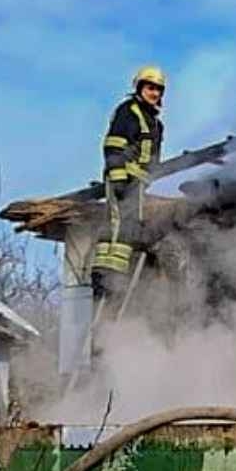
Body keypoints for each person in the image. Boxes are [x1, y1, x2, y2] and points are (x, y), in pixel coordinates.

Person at [91, 65, 166, 302]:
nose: (154, 93)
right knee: (116, 224)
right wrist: (118, 177)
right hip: (123, 178)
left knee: (128, 228)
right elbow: (113, 145)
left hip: (139, 183)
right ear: (139, 87)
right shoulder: (128, 112)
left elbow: (153, 158)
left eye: (158, 89)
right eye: (150, 87)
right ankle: (102, 277)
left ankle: (117, 278)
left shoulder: (155, 123)